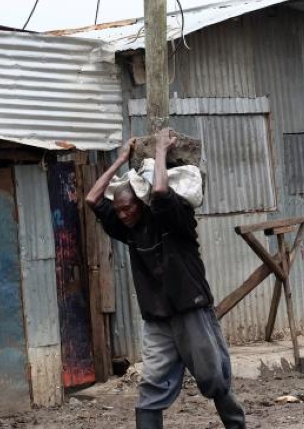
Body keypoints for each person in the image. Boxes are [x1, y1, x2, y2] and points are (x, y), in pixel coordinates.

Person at [82, 129, 246, 429]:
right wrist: (120, 160)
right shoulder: (129, 230)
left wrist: (160, 150)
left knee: (215, 380)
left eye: (128, 207)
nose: (122, 215)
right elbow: (92, 198)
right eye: (118, 211)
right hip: (157, 319)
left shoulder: (175, 219)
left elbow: (158, 191)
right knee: (150, 392)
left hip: (190, 310)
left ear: (140, 204)